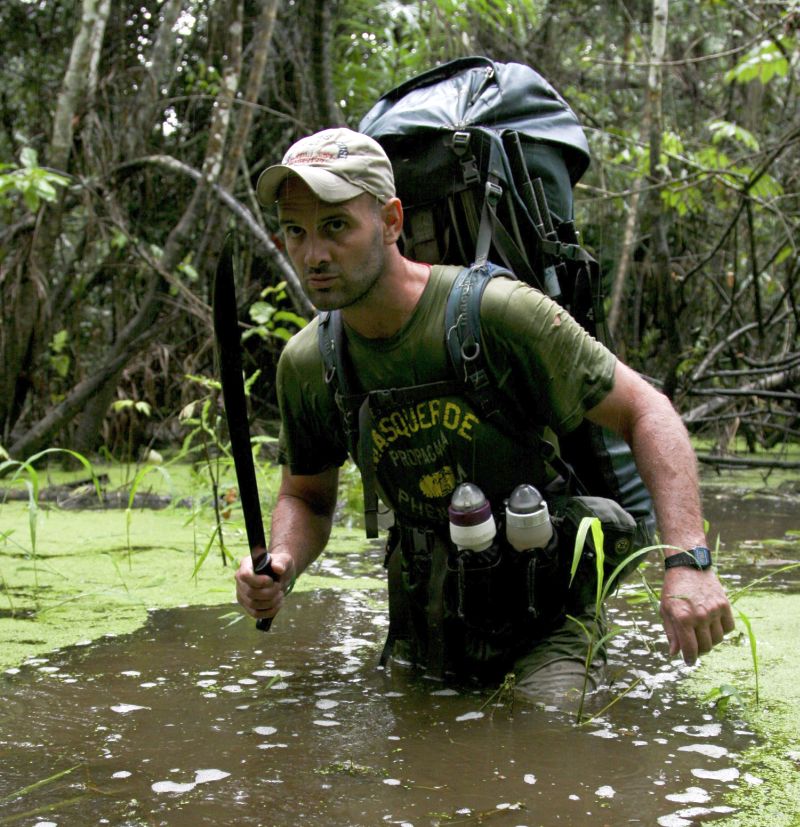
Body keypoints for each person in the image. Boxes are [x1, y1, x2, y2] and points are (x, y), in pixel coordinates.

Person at [235, 127, 734, 705]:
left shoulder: (495, 314)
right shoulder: (308, 364)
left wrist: (689, 560)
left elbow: (646, 409)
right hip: (425, 628)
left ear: (391, 221)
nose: (313, 254)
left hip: (545, 624)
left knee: (542, 741)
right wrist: (285, 562)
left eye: (336, 227)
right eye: (296, 232)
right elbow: (306, 495)